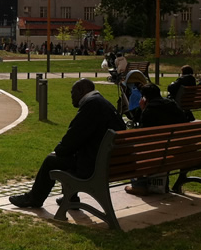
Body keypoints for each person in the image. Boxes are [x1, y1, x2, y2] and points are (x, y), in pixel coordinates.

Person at [8, 79, 126, 208]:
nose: (72, 97)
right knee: (73, 154)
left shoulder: (91, 105)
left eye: (72, 93)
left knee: (51, 161)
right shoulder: (103, 103)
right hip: (113, 163)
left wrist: (58, 151)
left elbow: (73, 137)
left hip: (95, 166)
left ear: (81, 91)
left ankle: (34, 198)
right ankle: (71, 197)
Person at [126, 83, 187, 196]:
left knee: (134, 150)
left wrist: (142, 109)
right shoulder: (172, 104)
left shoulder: (149, 110)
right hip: (180, 149)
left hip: (158, 151)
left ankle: (139, 185)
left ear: (144, 98)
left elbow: (143, 135)